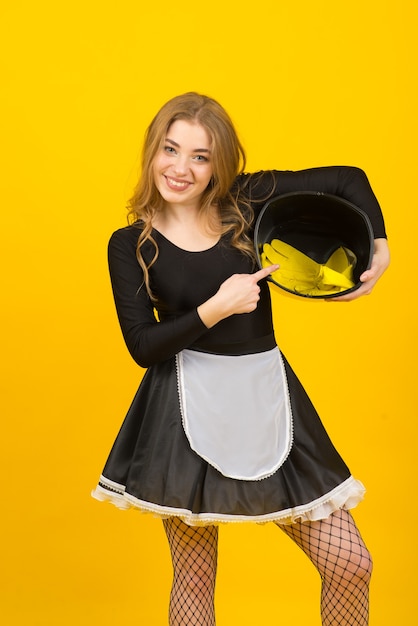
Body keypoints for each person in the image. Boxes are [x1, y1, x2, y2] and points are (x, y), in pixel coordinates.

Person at [92, 92, 390, 625]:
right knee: (194, 582)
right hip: (182, 411)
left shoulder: (247, 200)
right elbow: (143, 346)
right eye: (171, 149)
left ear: (219, 165)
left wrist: (380, 248)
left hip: (267, 398)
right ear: (152, 152)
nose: (181, 168)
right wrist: (214, 309)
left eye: (200, 156)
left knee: (350, 563)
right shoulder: (129, 244)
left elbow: (349, 179)